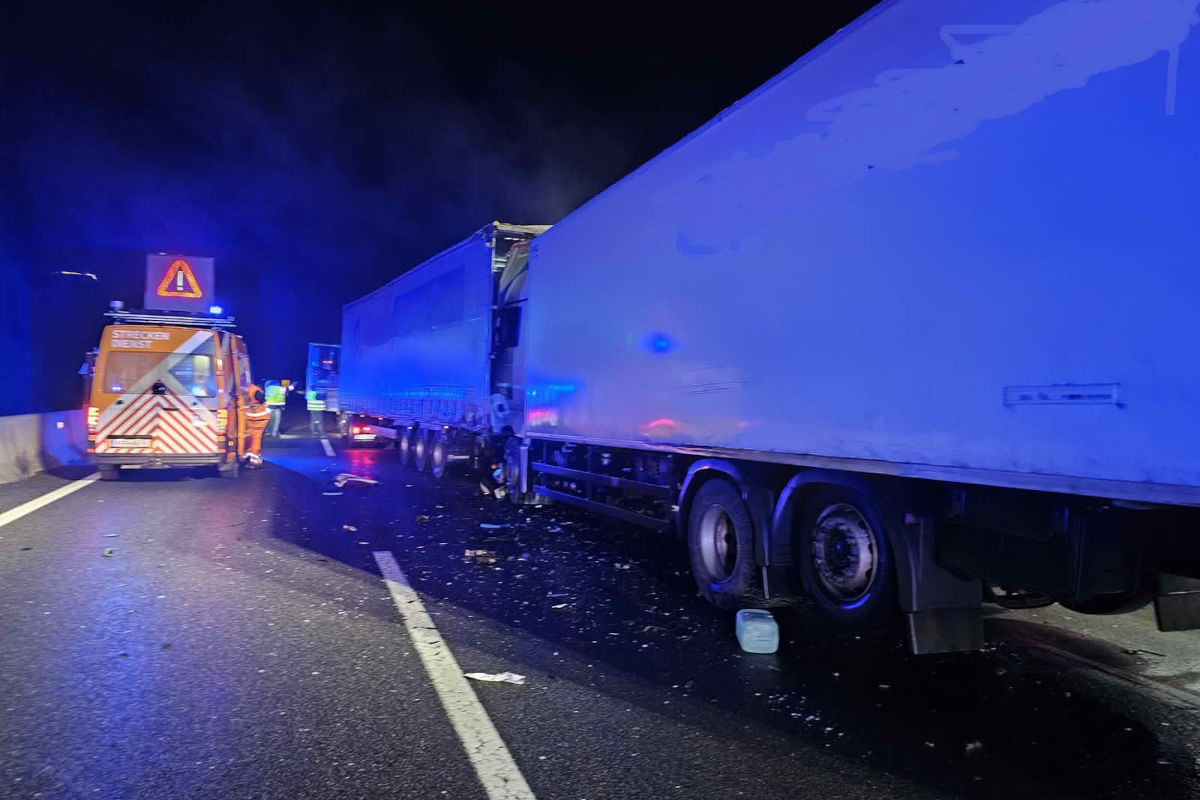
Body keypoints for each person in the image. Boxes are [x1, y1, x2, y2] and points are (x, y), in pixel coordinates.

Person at [242, 384, 272, 467]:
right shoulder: (252, 389)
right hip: (255, 416)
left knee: (255, 436)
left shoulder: (250, 390)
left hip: (258, 416)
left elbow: (259, 400)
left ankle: (255, 457)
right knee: (252, 435)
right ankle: (251, 453)